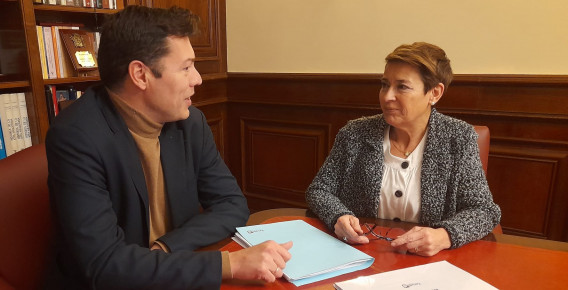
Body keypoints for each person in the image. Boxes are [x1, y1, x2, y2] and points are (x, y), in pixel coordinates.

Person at [45, 6, 291, 289]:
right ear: (140, 75)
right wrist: (231, 264)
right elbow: (105, 265)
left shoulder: (190, 123)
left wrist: (166, 246)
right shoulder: (76, 137)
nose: (197, 79)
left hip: (176, 274)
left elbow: (231, 204)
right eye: (186, 67)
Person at [305, 42, 501, 257]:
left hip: (429, 264)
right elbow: (319, 191)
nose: (387, 96)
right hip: (361, 256)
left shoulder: (458, 138)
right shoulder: (355, 134)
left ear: (434, 93)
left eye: (402, 87)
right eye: (384, 85)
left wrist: (444, 235)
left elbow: (484, 211)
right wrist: (338, 217)